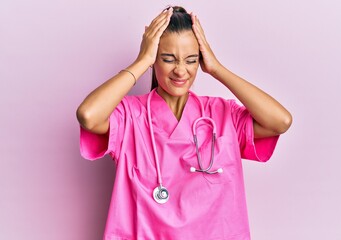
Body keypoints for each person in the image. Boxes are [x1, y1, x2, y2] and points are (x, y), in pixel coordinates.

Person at [76, 6, 292, 240]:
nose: (180, 71)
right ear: (154, 58)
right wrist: (141, 61)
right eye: (168, 59)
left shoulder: (221, 114)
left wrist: (217, 69)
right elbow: (88, 115)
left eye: (191, 60)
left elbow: (280, 121)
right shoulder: (131, 116)